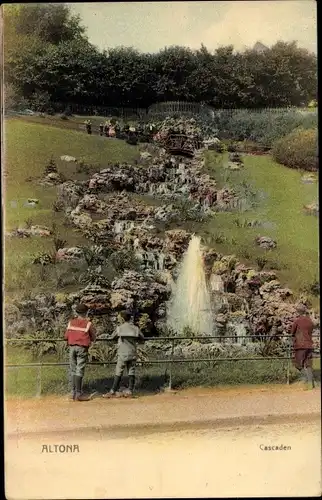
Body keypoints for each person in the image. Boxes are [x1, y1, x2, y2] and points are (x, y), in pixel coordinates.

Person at [103, 310, 145, 398]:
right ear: (130, 318)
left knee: (119, 371)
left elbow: (112, 337)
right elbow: (142, 337)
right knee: (131, 370)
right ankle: (130, 390)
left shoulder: (120, 328)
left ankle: (113, 390)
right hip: (132, 352)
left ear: (122, 318)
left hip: (122, 353)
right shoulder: (135, 328)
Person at [64, 303, 96, 401]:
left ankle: (72, 392)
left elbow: (65, 336)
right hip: (82, 348)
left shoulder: (71, 322)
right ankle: (79, 393)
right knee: (79, 369)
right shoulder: (88, 324)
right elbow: (93, 337)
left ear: (76, 312)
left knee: (73, 369)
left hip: (72, 347)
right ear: (86, 313)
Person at [291, 304, 315, 389]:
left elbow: (292, 332)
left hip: (300, 345)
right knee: (308, 364)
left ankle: (305, 380)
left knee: (297, 364)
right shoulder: (310, 322)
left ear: (298, 312)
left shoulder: (297, 321)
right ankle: (310, 384)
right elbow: (311, 331)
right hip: (309, 345)